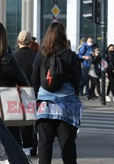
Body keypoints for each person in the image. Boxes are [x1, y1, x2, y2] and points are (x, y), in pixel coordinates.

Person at [31, 22, 81, 164]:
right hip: (66, 106)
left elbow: (34, 79)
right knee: (68, 146)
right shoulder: (70, 56)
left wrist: (38, 97)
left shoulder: (41, 55)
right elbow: (77, 80)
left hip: (44, 105)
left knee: (44, 146)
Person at [13, 30, 37, 157]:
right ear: (31, 42)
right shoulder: (36, 55)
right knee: (34, 118)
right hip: (34, 91)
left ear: (18, 41)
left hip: (19, 92)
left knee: (22, 119)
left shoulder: (14, 56)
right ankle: (33, 144)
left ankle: (25, 145)